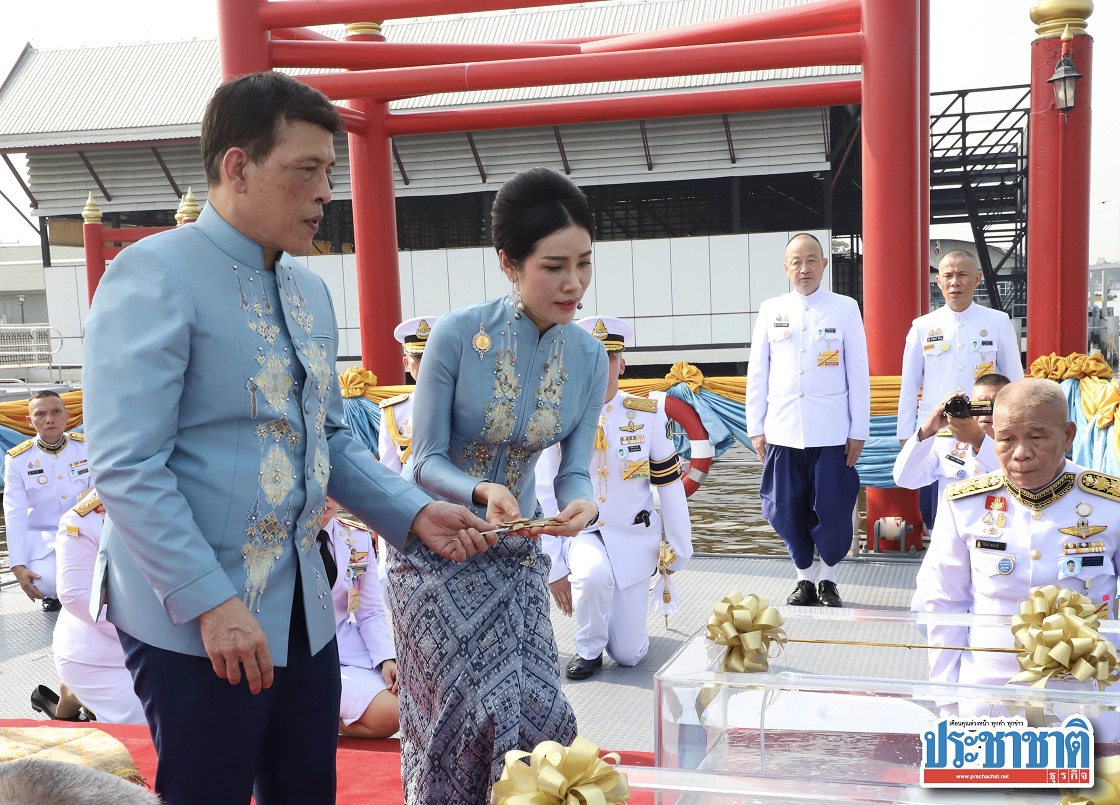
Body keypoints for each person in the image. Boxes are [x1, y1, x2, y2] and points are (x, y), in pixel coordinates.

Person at [82, 71, 492, 805]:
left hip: (304, 610)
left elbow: (327, 433)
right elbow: (126, 464)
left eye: (329, 171)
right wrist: (211, 601)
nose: (326, 191)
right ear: (237, 167)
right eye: (306, 169)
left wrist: (411, 512)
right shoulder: (152, 274)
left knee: (306, 790)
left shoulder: (310, 292)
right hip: (194, 616)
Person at [394, 166, 609, 804]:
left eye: (585, 264)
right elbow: (425, 460)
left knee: (536, 715)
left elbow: (571, 468)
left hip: (514, 557)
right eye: (553, 266)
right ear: (509, 263)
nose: (573, 284)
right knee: (456, 724)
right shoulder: (456, 337)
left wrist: (581, 501)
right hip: (436, 553)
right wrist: (480, 490)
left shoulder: (590, 356)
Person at [912, 378, 1120, 718]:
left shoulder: (1109, 503)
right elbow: (945, 602)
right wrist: (947, 697)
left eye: (1036, 437)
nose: (1021, 453)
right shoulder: (965, 503)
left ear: (1068, 435)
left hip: (1087, 691)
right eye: (1006, 439)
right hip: (991, 691)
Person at [537, 315, 692, 680]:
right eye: (591, 356)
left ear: (621, 364)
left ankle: (621, 636)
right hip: (583, 533)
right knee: (591, 576)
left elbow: (668, 484)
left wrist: (680, 547)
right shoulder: (558, 415)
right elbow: (544, 490)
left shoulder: (647, 414)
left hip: (635, 536)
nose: (600, 366)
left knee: (628, 656)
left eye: (608, 357)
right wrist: (554, 565)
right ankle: (588, 649)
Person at [745, 233, 869, 608]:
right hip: (782, 430)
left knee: (832, 509)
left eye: (812, 260)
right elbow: (758, 371)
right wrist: (756, 427)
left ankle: (828, 579)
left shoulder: (844, 307)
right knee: (784, 507)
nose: (805, 268)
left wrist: (857, 430)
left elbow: (857, 373)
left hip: (831, 431)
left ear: (824, 265)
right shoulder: (771, 309)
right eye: (796, 261)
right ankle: (803, 579)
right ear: (786, 267)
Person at [896, 249, 1023, 441]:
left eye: (962, 274)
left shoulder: (998, 322)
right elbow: (909, 387)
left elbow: (1014, 382)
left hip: (983, 429)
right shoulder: (922, 327)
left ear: (977, 279)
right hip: (936, 430)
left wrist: (1015, 429)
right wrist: (906, 435)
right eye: (948, 275)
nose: (955, 282)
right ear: (939, 281)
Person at [48, 488, 146, 724]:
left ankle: (73, 695)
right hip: (100, 656)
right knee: (146, 723)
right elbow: (74, 594)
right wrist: (150, 634)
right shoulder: (85, 518)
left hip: (175, 641)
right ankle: (76, 692)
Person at [316, 498, 400, 739]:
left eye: (333, 486)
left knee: (393, 709)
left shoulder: (356, 538)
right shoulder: (278, 538)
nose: (326, 497)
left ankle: (324, 718)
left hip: (343, 653)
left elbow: (370, 610)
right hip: (288, 658)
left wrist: (386, 658)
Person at [3, 391, 90, 611]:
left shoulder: (86, 447)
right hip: (45, 538)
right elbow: (15, 514)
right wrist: (18, 565)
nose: (49, 419)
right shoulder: (18, 459)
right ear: (30, 421)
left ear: (68, 415)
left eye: (56, 411)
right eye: (40, 414)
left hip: (85, 533)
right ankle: (57, 593)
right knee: (45, 583)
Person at [375, 315, 439, 584]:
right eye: (418, 359)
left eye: (433, 357)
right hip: (412, 521)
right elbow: (388, 478)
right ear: (407, 363)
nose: (426, 366)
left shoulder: (466, 407)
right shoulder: (394, 411)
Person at [892, 373, 1010, 503]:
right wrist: (928, 429)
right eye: (979, 405)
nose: (985, 413)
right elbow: (905, 479)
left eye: (992, 406)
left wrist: (978, 440)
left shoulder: (1023, 442)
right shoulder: (946, 443)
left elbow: (1016, 476)